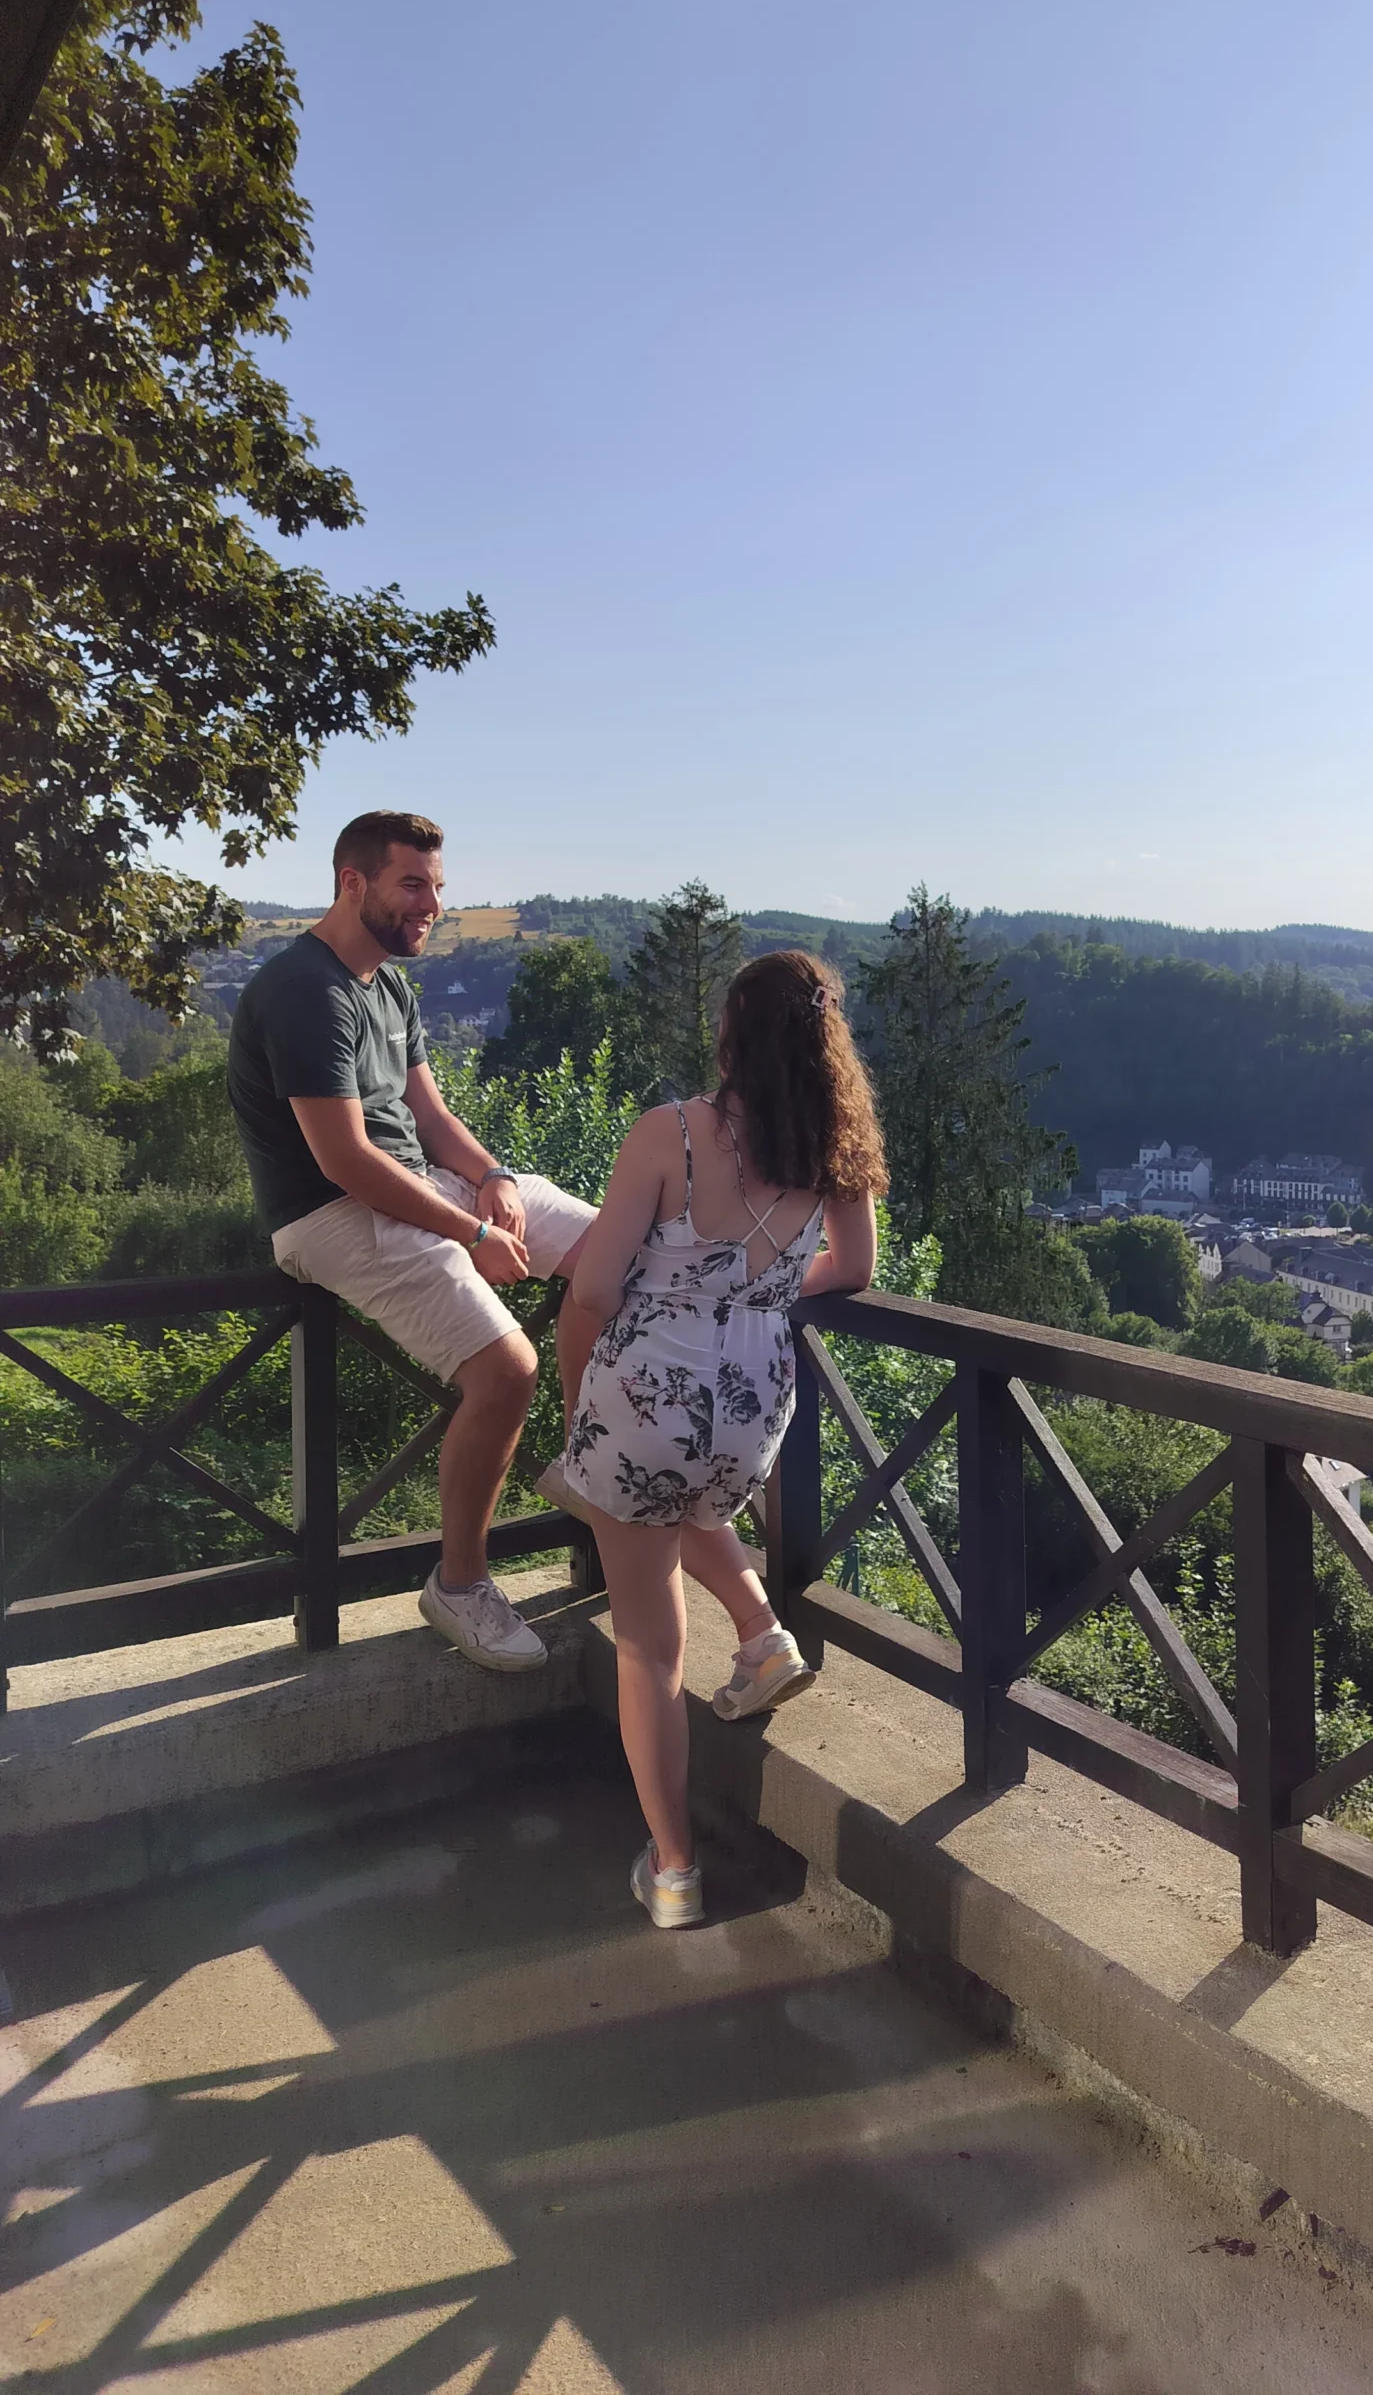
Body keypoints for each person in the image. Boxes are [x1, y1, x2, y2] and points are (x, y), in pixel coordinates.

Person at [555, 950, 885, 1928]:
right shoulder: (837, 1144)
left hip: (649, 1397)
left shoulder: (672, 1134)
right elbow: (854, 1265)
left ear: (732, 1035)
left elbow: (595, 1289)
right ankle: (764, 1635)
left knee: (648, 1644)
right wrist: (764, 1289)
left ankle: (673, 1868)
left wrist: (586, 1402)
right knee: (688, 1512)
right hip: (751, 1405)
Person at [228, 811, 600, 1673]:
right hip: (330, 1214)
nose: (431, 904)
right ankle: (459, 1584)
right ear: (351, 882)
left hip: (420, 1190)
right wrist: (471, 1230)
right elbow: (347, 1160)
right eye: (413, 885)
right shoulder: (302, 991)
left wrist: (494, 1177)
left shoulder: (388, 984)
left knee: (610, 1253)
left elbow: (430, 1120)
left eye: (437, 887)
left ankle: (588, 1467)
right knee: (506, 1368)